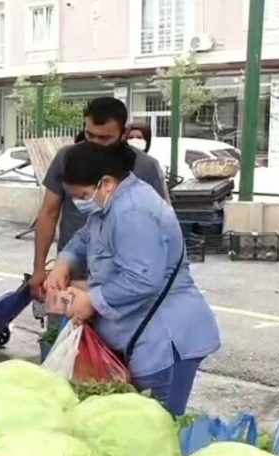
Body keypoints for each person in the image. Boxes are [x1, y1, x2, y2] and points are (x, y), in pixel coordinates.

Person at [46, 140, 219, 416]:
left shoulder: (132, 212)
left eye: (83, 194)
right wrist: (64, 262)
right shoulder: (109, 205)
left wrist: (92, 300)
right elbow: (85, 237)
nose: (79, 203)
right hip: (140, 336)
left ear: (107, 183)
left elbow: (142, 280)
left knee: (156, 426)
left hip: (164, 340)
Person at [30, 98, 168, 304]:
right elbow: (49, 214)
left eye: (104, 138)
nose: (95, 144)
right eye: (89, 135)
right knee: (66, 334)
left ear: (124, 133)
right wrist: (42, 267)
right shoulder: (68, 159)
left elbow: (158, 236)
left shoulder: (145, 171)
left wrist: (96, 298)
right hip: (73, 275)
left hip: (125, 282)